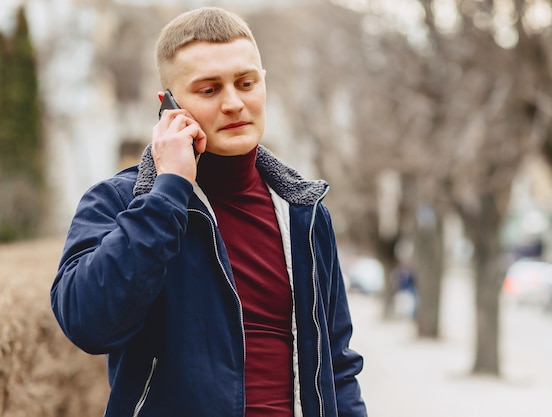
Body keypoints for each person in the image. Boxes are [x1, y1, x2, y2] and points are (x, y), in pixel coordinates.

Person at [50, 7, 367, 417]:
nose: (234, 103)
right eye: (209, 90)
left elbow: (337, 365)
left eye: (246, 83)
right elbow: (88, 324)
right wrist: (168, 191)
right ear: (168, 105)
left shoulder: (303, 213)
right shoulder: (120, 202)